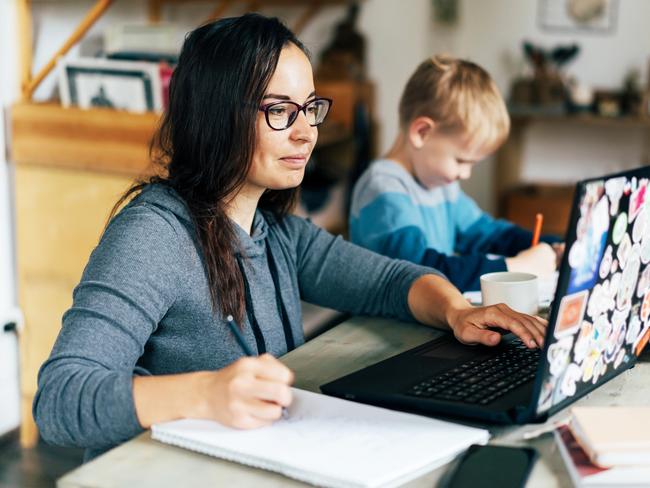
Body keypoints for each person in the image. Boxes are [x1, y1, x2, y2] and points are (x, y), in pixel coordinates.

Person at [33, 15, 547, 462]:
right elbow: (59, 400)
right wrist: (206, 393)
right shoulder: (153, 237)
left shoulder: (276, 231)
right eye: (280, 111)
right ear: (218, 115)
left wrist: (456, 311)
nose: (306, 132)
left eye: (309, 108)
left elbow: (389, 280)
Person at [349, 56, 563, 292]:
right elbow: (422, 272)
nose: (466, 173)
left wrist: (552, 246)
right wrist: (514, 267)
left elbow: (488, 234)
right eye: (461, 160)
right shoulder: (383, 189)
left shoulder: (440, 184)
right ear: (422, 132)